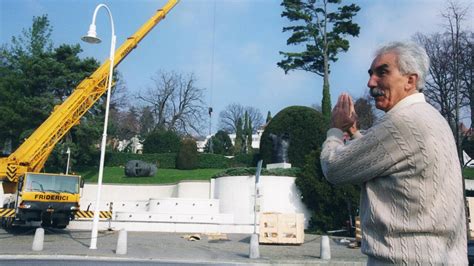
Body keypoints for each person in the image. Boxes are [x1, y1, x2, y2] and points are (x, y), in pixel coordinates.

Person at [320, 42, 467, 265]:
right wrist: (353, 131)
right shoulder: (430, 117)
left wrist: (335, 130)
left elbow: (334, 168)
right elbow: (390, 158)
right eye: (371, 74)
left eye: (383, 72)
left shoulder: (401, 122)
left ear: (410, 80)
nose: (371, 82)